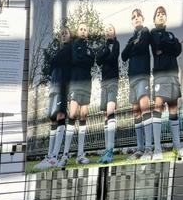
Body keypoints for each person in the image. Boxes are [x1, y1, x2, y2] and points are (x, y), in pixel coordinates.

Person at [149, 5, 183, 161]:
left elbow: (177, 49)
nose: (161, 16)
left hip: (173, 75)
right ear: (154, 19)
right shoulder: (153, 33)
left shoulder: (171, 34)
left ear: (166, 18)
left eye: (163, 14)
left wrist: (170, 44)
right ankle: (157, 149)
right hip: (160, 76)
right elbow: (158, 45)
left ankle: (178, 147)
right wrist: (171, 43)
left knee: (174, 109)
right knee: (158, 107)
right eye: (158, 14)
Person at [33, 27, 72, 172]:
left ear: (70, 37)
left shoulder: (69, 50)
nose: (63, 35)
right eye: (61, 34)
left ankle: (55, 157)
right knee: (53, 119)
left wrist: (55, 60)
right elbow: (51, 64)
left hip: (62, 85)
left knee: (61, 115)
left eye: (66, 33)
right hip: (53, 87)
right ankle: (50, 155)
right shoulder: (59, 51)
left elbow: (55, 60)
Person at [121, 8, 153, 159]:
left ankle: (148, 148)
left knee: (145, 109)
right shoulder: (131, 38)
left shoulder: (146, 31)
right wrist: (133, 44)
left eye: (138, 16)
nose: (136, 18)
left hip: (142, 76)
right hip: (131, 78)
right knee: (136, 112)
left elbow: (141, 47)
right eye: (133, 17)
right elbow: (123, 56)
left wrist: (134, 46)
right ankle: (139, 149)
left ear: (142, 18)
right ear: (132, 21)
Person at [63, 21, 95, 167]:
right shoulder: (75, 44)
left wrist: (84, 57)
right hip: (75, 82)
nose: (83, 31)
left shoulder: (90, 48)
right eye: (81, 29)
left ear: (87, 32)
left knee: (84, 116)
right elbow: (76, 59)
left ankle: (80, 154)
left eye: (85, 29)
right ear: (78, 31)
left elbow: (91, 62)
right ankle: (65, 155)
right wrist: (84, 57)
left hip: (87, 84)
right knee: (72, 115)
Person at [94, 24, 121, 164]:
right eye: (106, 30)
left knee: (111, 111)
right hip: (103, 82)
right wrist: (105, 54)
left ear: (114, 33)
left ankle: (110, 151)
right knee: (105, 113)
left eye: (111, 29)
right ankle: (106, 149)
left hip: (113, 81)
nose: (108, 32)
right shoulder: (104, 47)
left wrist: (105, 56)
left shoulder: (116, 44)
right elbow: (98, 61)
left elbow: (112, 58)